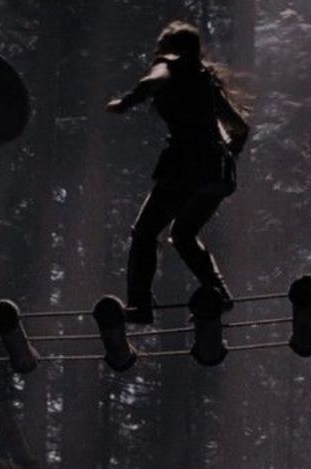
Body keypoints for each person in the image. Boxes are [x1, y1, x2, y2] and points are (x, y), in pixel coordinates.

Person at [106, 21, 250, 323]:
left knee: (145, 232)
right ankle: (219, 293)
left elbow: (152, 82)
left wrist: (126, 102)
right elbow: (240, 127)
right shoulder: (205, 80)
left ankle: (140, 305)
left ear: (167, 48)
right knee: (184, 234)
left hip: (185, 167)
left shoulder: (169, 64)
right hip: (217, 174)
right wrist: (227, 154)